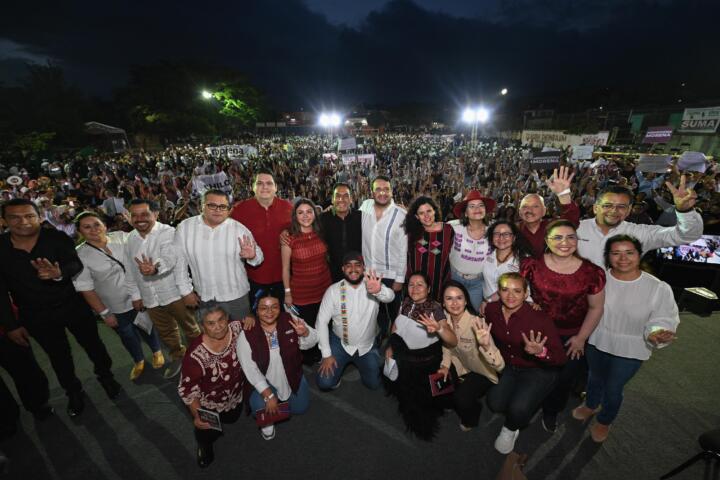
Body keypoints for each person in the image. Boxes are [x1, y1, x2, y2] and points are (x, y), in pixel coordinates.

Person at [0, 198, 119, 417]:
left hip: (72, 305)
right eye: (14, 217)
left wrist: (59, 273)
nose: (23, 222)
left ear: (39, 217)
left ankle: (107, 377)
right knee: (58, 357)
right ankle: (73, 392)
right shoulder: (1, 248)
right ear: (4, 220)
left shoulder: (55, 237)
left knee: (94, 345)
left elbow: (75, 263)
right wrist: (11, 325)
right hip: (35, 315)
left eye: (29, 216)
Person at [572, 235, 679, 442]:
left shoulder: (657, 288)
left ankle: (605, 420)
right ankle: (590, 405)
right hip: (597, 340)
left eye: (629, 252)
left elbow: (663, 317)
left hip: (631, 346)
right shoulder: (598, 279)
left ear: (639, 255)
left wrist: (656, 332)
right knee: (594, 377)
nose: (623, 258)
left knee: (613, 388)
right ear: (608, 256)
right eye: (616, 253)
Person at [520, 219, 606, 432]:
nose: (564, 242)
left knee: (563, 379)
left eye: (570, 237)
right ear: (547, 241)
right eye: (557, 237)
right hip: (537, 333)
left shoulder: (592, 272)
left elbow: (596, 308)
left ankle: (551, 411)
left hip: (571, 337)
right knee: (534, 374)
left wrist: (581, 338)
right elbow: (518, 294)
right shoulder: (531, 265)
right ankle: (527, 407)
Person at [73, 211, 164, 380]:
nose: (93, 230)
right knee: (127, 335)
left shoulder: (122, 236)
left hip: (140, 296)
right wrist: (105, 313)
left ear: (105, 226)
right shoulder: (79, 255)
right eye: (87, 227)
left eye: (96, 225)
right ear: (80, 232)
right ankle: (138, 360)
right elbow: (86, 288)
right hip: (115, 306)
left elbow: (146, 245)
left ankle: (157, 351)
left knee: (147, 326)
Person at [485, 272, 566, 454]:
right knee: (495, 403)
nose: (510, 296)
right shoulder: (491, 310)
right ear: (498, 291)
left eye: (517, 291)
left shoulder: (539, 318)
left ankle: (511, 428)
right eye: (505, 290)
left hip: (537, 369)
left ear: (526, 293)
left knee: (518, 409)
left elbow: (561, 357)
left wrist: (541, 351)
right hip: (509, 367)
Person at [125, 198, 201, 379]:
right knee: (166, 332)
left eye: (144, 214)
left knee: (191, 328)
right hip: (149, 297)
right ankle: (178, 357)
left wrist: (155, 268)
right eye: (134, 215)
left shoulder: (168, 232)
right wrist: (135, 294)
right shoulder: (130, 238)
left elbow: (170, 257)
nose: (139, 219)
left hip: (173, 292)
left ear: (156, 214)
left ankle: (200, 358)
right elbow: (129, 269)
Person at [384, 272, 458, 440]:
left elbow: (452, 340)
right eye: (411, 284)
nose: (415, 288)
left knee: (425, 407)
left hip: (425, 367)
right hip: (404, 361)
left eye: (420, 284)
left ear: (428, 288)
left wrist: (439, 329)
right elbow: (395, 326)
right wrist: (390, 346)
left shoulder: (435, 309)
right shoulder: (405, 301)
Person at [237, 292, 318, 440]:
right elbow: (250, 369)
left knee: (300, 408)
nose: (269, 312)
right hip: (263, 380)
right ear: (256, 310)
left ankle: (287, 393)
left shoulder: (289, 320)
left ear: (280, 308)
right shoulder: (247, 333)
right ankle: (267, 423)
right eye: (264, 308)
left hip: (290, 373)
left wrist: (305, 333)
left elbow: (313, 340)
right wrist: (268, 394)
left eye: (274, 307)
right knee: (260, 406)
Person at [175, 189, 263, 321]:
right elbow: (178, 263)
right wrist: (185, 292)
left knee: (242, 335)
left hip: (236, 297)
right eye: (212, 205)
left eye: (222, 207)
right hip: (204, 297)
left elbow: (259, 257)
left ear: (229, 209)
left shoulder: (239, 230)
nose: (217, 210)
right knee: (212, 337)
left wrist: (253, 256)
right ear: (201, 206)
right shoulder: (185, 228)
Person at [577, 179, 703, 267]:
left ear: (629, 211)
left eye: (621, 206)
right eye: (607, 205)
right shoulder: (574, 230)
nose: (614, 210)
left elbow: (686, 236)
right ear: (595, 208)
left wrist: (685, 211)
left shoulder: (640, 233)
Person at [316, 251, 395, 391]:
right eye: (348, 266)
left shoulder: (372, 284)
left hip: (367, 345)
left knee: (374, 384)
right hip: (340, 343)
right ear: (343, 269)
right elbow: (321, 322)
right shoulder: (333, 290)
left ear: (363, 268)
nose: (353, 269)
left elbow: (390, 297)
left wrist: (378, 291)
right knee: (325, 383)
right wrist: (326, 354)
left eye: (357, 265)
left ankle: (364, 365)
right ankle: (338, 373)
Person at [178, 306, 245, 468]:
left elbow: (257, 320)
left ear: (227, 318)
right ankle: (204, 446)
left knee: (233, 418)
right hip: (209, 403)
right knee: (208, 431)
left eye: (221, 319)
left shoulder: (236, 328)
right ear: (202, 326)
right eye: (211, 323)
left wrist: (250, 317)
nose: (219, 326)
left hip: (236, 394)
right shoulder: (195, 355)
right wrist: (197, 414)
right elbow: (187, 389)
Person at [437, 281, 504, 432]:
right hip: (460, 362)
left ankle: (471, 418)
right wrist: (445, 365)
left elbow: (499, 366)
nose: (454, 303)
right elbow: (447, 345)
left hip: (482, 369)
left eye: (459, 298)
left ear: (466, 301)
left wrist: (486, 346)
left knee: (462, 399)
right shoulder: (444, 318)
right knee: (439, 375)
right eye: (449, 298)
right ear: (443, 302)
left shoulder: (477, 324)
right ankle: (449, 403)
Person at [231, 169, 292, 304]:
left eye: (269, 183)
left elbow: (300, 229)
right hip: (252, 278)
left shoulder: (288, 207)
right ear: (252, 187)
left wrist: (288, 230)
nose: (265, 187)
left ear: (276, 187)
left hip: (283, 276)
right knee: (256, 317)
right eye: (259, 183)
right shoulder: (239, 210)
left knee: (283, 316)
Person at [0, 285, 53, 439]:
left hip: (6, 330)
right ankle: (6, 417)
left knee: (26, 371)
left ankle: (37, 404)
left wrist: (11, 325)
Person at [359, 176, 407, 336]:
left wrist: (399, 279)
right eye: (378, 189)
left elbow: (403, 250)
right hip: (370, 274)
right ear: (371, 192)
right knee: (375, 312)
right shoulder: (365, 207)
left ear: (392, 191)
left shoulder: (401, 215)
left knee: (395, 314)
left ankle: (395, 344)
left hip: (391, 276)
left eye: (386, 189)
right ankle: (380, 336)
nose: (382, 193)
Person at [447, 190, 495, 312]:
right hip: (454, 278)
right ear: (466, 213)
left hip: (477, 284)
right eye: (472, 206)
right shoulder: (453, 227)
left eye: (480, 205)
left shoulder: (494, 231)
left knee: (474, 316)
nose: (477, 209)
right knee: (452, 313)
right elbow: (431, 228)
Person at [518, 166, 580, 258]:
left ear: (544, 211)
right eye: (525, 206)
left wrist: (564, 195)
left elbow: (571, 221)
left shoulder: (552, 226)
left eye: (535, 206)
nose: (529, 210)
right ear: (519, 212)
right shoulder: (513, 230)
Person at [403, 196, 454, 302]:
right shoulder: (411, 232)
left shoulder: (448, 230)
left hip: (440, 283)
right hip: (416, 286)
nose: (426, 216)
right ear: (417, 216)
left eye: (429, 211)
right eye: (421, 213)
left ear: (434, 211)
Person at [480, 220, 532, 314]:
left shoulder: (524, 260)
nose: (501, 238)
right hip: (488, 306)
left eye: (506, 234)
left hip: (513, 307)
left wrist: (488, 300)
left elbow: (526, 288)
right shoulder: (486, 254)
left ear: (514, 237)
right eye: (497, 234)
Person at [319, 183, 362, 282]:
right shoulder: (323, 219)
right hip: (331, 275)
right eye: (337, 196)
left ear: (351, 199)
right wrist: (286, 231)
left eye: (346, 196)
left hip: (356, 273)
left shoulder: (361, 217)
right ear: (332, 199)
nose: (341, 199)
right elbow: (304, 227)